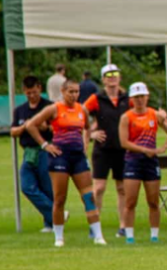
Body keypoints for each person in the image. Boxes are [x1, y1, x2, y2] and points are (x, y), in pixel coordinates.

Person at [22, 77, 107, 247]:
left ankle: (98, 235)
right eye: (71, 92)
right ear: (63, 92)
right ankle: (59, 237)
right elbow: (31, 125)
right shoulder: (54, 108)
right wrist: (45, 145)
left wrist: (84, 144)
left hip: (78, 158)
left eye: (77, 92)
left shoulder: (82, 109)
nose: (74, 95)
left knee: (88, 196)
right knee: (60, 198)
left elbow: (87, 128)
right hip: (59, 156)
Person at [83, 63, 130, 235]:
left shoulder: (127, 98)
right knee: (99, 187)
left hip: (122, 148)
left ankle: (123, 226)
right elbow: (81, 114)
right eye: (108, 75)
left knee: (122, 188)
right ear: (103, 79)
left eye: (115, 74)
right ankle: (95, 226)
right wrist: (91, 134)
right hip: (102, 149)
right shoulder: (97, 98)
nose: (112, 77)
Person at [118, 83, 164, 244]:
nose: (139, 100)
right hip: (133, 161)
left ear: (147, 97)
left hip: (151, 161)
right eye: (136, 97)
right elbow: (124, 142)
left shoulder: (154, 114)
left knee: (153, 201)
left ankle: (154, 235)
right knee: (130, 201)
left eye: (142, 96)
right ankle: (129, 235)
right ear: (131, 99)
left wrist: (164, 145)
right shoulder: (127, 117)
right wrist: (144, 150)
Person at [10, 75, 55, 232]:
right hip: (28, 152)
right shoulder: (20, 110)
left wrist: (45, 128)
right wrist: (26, 127)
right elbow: (13, 131)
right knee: (27, 186)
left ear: (40, 89)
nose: (32, 96)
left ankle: (50, 223)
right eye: (29, 93)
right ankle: (57, 214)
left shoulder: (49, 106)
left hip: (45, 150)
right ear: (24, 91)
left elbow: (57, 128)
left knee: (47, 187)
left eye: (34, 92)